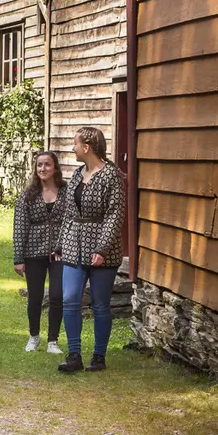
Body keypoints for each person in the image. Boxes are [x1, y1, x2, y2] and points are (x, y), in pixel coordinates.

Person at [53, 127, 126, 373]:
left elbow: (115, 215)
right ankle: (74, 355)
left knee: (100, 304)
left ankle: (99, 356)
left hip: (102, 249)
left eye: (75, 144)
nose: (72, 148)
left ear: (87, 147)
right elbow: (68, 214)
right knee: (70, 299)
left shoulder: (112, 176)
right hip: (74, 244)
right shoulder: (77, 174)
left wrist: (103, 248)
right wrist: (61, 244)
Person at [13, 151, 67, 354]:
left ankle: (53, 340)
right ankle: (34, 337)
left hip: (60, 252)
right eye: (39, 165)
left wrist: (63, 246)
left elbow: (70, 222)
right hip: (33, 252)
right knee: (35, 297)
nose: (43, 169)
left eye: (47, 165)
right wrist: (19, 258)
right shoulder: (28, 195)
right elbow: (19, 227)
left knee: (57, 295)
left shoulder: (66, 192)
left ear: (55, 168)